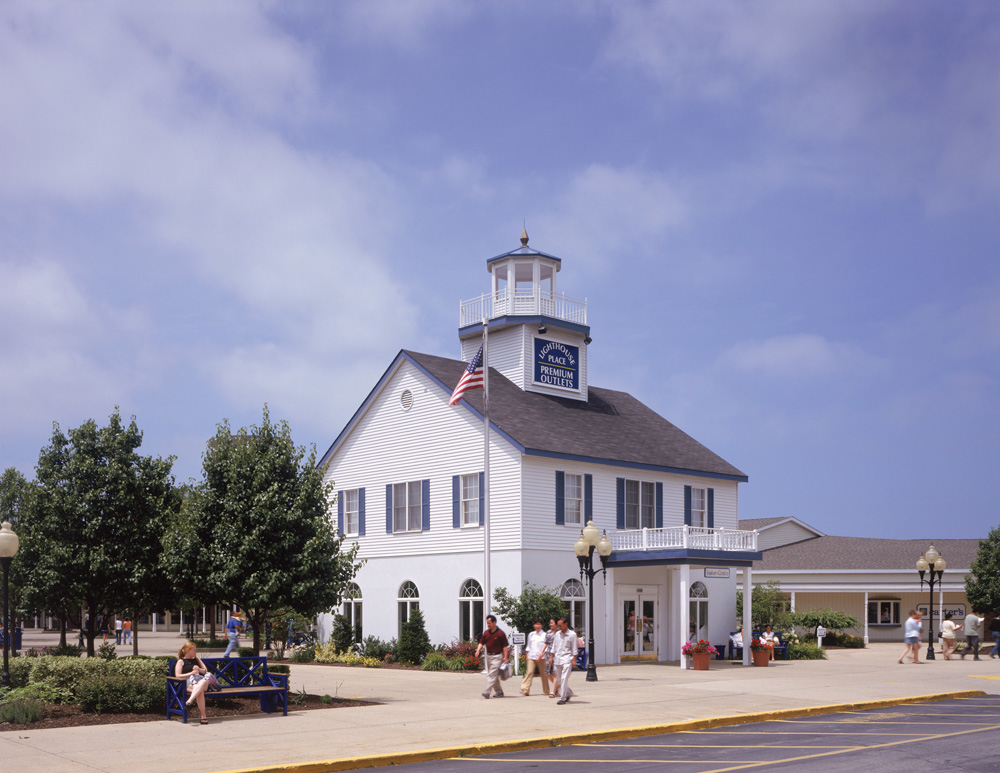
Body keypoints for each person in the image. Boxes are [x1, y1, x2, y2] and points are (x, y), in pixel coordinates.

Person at [175, 640, 210, 724]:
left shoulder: (197, 659)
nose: (196, 651)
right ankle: (203, 716)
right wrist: (191, 673)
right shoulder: (181, 661)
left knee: (203, 681)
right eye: (194, 650)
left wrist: (198, 669)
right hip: (188, 683)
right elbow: (177, 675)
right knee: (200, 691)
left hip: (201, 681)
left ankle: (189, 701)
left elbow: (205, 671)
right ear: (188, 650)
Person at [474, 615, 509, 699]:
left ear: (494, 622)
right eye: (487, 623)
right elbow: (481, 642)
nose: (488, 625)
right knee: (494, 675)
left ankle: (487, 692)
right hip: (489, 656)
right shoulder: (486, 633)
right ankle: (499, 692)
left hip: (497, 656)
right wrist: (478, 650)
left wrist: (505, 657)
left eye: (489, 623)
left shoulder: (500, 633)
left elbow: (505, 647)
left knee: (491, 675)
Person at [551, 617, 577, 705]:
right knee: (559, 680)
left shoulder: (572, 635)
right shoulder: (557, 634)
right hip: (557, 659)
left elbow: (574, 648)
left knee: (564, 678)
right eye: (558, 625)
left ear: (566, 624)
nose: (559, 627)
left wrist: (574, 660)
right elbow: (554, 646)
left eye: (560, 625)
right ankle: (567, 693)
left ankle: (562, 698)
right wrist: (551, 657)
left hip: (567, 659)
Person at [520, 620, 549, 696]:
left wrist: (542, 654)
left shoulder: (544, 635)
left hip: (541, 657)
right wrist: (527, 654)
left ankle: (546, 690)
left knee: (543, 674)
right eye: (536, 624)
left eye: (539, 624)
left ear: (542, 626)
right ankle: (525, 689)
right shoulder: (531, 634)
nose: (537, 626)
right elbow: (529, 646)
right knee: (529, 672)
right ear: (534, 625)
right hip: (531, 656)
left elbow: (546, 647)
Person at [545, 618, 560, 699]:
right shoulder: (548, 632)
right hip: (548, 654)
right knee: (547, 673)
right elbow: (546, 642)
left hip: (557, 654)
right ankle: (558, 685)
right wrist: (542, 651)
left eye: (552, 623)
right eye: (550, 623)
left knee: (555, 673)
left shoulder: (559, 633)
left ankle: (553, 691)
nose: (550, 624)